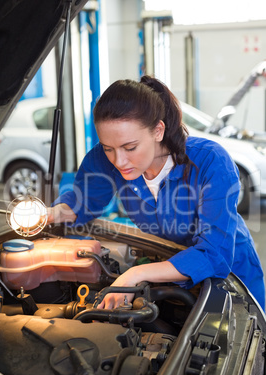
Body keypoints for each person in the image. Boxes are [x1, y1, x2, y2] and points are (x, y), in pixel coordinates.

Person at [47, 75, 265, 311]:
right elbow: (82, 202)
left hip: (234, 279)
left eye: (130, 148)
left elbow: (214, 254)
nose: (119, 161)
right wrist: (50, 214)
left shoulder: (210, 161)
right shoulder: (103, 160)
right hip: (168, 266)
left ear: (158, 131)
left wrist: (135, 274)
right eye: (108, 148)